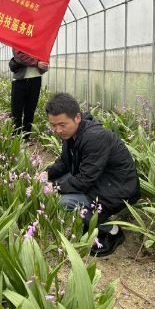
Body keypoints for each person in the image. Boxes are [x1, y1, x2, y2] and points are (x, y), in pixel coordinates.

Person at [45, 93, 140, 257]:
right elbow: (64, 162)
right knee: (55, 183)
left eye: (61, 124)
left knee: (62, 201)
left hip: (117, 190)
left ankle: (112, 230)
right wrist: (46, 174)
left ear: (77, 117)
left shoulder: (94, 137)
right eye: (53, 125)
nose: (57, 130)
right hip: (99, 182)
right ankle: (89, 221)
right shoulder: (71, 133)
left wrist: (54, 187)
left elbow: (84, 180)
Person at [9, 48, 48, 140]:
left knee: (30, 110)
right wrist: (37, 63)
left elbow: (45, 60)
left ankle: (26, 137)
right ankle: (16, 137)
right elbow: (19, 57)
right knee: (16, 110)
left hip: (35, 80)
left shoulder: (40, 43)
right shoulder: (19, 39)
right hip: (19, 81)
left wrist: (44, 66)